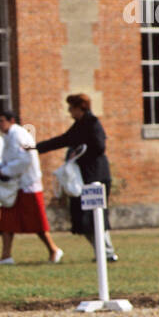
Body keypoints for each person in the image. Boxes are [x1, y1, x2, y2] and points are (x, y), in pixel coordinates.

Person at [32, 93, 118, 261]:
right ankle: (101, 251)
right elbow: (63, 140)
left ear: (80, 108)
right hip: (82, 178)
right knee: (82, 217)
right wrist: (36, 147)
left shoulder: (92, 123)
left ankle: (107, 252)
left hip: (96, 176)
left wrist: (79, 152)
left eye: (71, 108)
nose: (69, 111)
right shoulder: (79, 125)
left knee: (96, 215)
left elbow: (99, 147)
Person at [0, 110, 62, 266]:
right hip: (14, 186)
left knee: (36, 221)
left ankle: (53, 249)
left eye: (1, 121)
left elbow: (25, 159)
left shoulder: (20, 135)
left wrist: (4, 170)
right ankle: (6, 255)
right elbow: (10, 159)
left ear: (11, 120)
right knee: (7, 220)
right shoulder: (8, 136)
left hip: (28, 185)